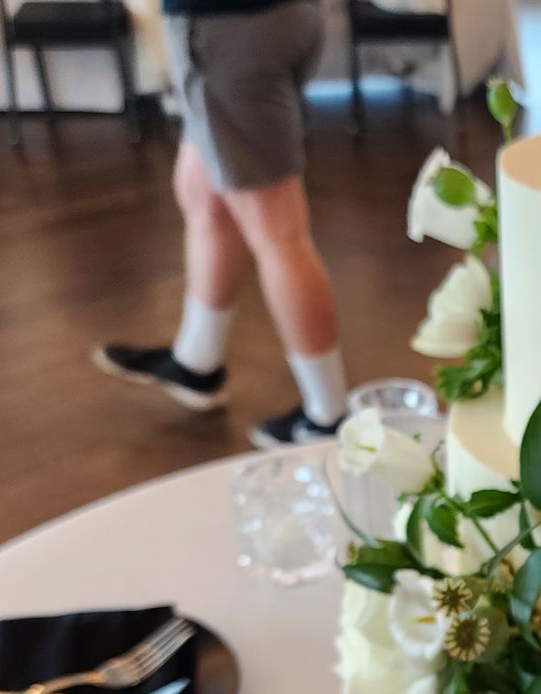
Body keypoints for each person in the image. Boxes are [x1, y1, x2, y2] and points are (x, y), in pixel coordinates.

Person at [93, 0, 349, 448]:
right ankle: (196, 362)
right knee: (203, 192)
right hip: (265, 20)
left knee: (280, 232)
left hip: (231, 24)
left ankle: (329, 418)